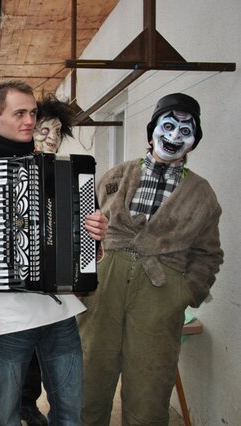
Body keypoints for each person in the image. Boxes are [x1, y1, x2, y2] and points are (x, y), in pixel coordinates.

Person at [0, 80, 108, 426]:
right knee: (5, 415)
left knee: (70, 413)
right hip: (6, 320)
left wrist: (95, 235)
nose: (30, 121)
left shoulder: (60, 165)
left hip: (59, 313)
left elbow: (87, 241)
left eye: (33, 113)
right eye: (20, 113)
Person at [78, 93, 224, 425]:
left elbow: (209, 254)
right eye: (167, 126)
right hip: (104, 290)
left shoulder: (202, 195)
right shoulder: (116, 176)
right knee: (88, 379)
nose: (174, 137)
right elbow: (85, 229)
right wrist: (85, 277)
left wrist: (184, 295)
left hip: (160, 294)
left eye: (185, 131)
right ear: (152, 130)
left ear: (193, 142)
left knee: (149, 393)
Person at [20, 93, 76, 426]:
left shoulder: (71, 173)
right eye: (45, 129)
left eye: (57, 132)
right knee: (21, 355)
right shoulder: (11, 168)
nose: (51, 138)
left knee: (52, 353)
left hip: (58, 286)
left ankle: (49, 406)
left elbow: (84, 223)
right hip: (18, 283)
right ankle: (24, 404)